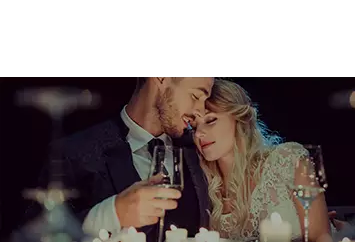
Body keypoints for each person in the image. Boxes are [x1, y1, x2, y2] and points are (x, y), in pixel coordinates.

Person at [25, 77, 214, 240]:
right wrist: (111, 214)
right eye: (195, 96)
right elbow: (36, 235)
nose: (201, 111)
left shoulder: (199, 154)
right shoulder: (74, 151)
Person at [192, 79, 331, 242]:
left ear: (239, 117)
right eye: (193, 127)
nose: (198, 133)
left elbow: (321, 237)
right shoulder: (203, 189)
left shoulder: (287, 161)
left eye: (210, 120)